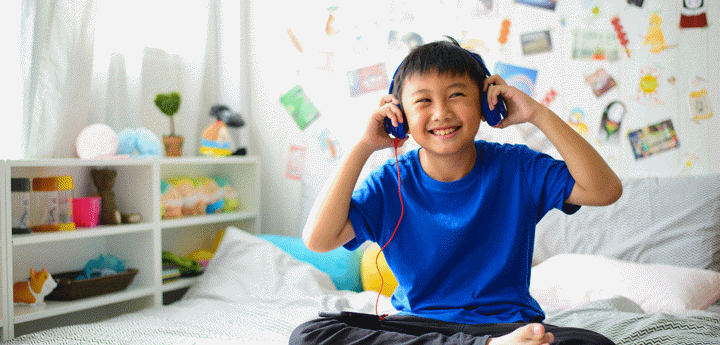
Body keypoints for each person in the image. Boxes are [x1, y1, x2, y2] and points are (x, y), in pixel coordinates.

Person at [290, 37, 622, 345]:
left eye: (457, 95)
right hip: (416, 327)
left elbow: (604, 190)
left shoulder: (518, 167)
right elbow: (318, 240)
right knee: (311, 333)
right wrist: (363, 146)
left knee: (592, 343)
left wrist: (537, 114)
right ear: (398, 116)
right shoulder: (389, 183)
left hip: (505, 326)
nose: (441, 113)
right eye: (423, 101)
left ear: (487, 103)